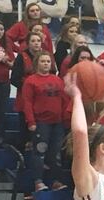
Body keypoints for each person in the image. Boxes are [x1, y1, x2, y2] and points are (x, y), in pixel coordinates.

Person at [21, 52, 70, 192]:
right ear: (37, 63)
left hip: (57, 123)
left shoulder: (57, 80)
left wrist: (65, 119)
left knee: (56, 153)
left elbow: (65, 101)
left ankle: (56, 181)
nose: (46, 64)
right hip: (41, 122)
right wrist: (31, 121)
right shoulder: (31, 81)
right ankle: (38, 181)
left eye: (48, 61)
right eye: (43, 61)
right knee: (39, 151)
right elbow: (27, 102)